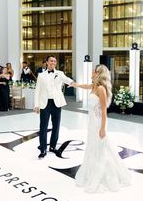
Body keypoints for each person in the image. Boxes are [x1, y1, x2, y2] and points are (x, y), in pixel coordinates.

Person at [71, 64, 131, 193]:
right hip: (91, 123)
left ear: (98, 73)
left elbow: (104, 111)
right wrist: (75, 85)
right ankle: (92, 170)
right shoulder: (94, 86)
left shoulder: (101, 89)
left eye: (94, 70)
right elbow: (85, 86)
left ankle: (105, 174)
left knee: (102, 149)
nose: (92, 72)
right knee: (93, 147)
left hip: (98, 123)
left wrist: (103, 128)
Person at [34, 55, 74, 159]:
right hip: (45, 104)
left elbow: (67, 79)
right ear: (46, 62)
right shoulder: (41, 75)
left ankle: (52, 146)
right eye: (51, 61)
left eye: (54, 61)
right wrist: (36, 105)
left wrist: (73, 83)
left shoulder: (59, 73)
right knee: (43, 127)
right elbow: (37, 91)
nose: (53, 63)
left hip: (57, 104)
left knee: (56, 126)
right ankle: (43, 149)